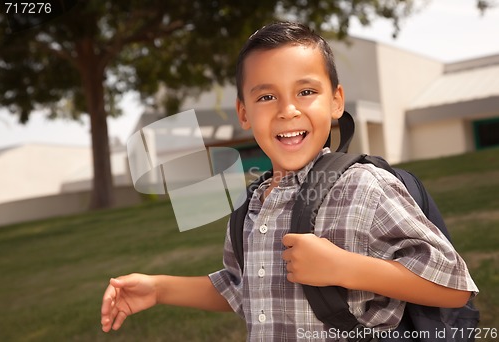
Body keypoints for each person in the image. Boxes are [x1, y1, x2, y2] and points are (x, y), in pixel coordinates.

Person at [101, 21, 478, 341]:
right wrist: (159, 288)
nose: (288, 110)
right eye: (267, 96)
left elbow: (454, 286)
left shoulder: (365, 186)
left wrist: (343, 267)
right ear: (244, 112)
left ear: (336, 101)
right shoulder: (252, 204)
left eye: (306, 91)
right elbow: (242, 285)